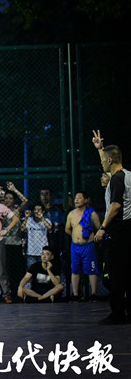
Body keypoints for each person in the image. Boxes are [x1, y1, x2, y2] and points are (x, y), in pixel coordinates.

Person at [93, 130, 131, 325]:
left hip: (120, 230)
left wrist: (103, 228)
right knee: (126, 272)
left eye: (104, 160)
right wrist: (100, 149)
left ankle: (118, 313)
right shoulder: (127, 175)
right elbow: (108, 167)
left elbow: (115, 206)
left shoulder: (116, 179)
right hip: (128, 229)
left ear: (110, 160)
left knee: (113, 274)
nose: (103, 164)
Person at [65, 191, 101, 303]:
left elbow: (99, 228)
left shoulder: (91, 213)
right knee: (75, 270)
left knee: (92, 270)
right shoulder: (71, 214)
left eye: (79, 198)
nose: (76, 200)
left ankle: (94, 294)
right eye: (75, 198)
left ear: (85, 200)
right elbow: (67, 229)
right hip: (75, 246)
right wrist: (75, 237)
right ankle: (76, 294)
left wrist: (91, 237)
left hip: (88, 245)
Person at [0, 183, 28, 302]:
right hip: (4, 244)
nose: (8, 200)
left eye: (10, 198)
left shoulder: (17, 211)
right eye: (6, 198)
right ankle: (8, 293)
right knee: (6, 270)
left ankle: (18, 292)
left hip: (16, 243)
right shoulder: (1, 210)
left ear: (14, 200)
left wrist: (14, 189)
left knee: (17, 269)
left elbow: (25, 201)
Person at [21, 204, 52, 269]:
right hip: (31, 251)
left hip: (43, 251)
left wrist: (42, 218)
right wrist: (26, 218)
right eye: (35, 209)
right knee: (31, 270)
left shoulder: (46, 220)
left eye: (39, 210)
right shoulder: (29, 220)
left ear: (43, 211)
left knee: (43, 270)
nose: (36, 211)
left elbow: (49, 227)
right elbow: (22, 229)